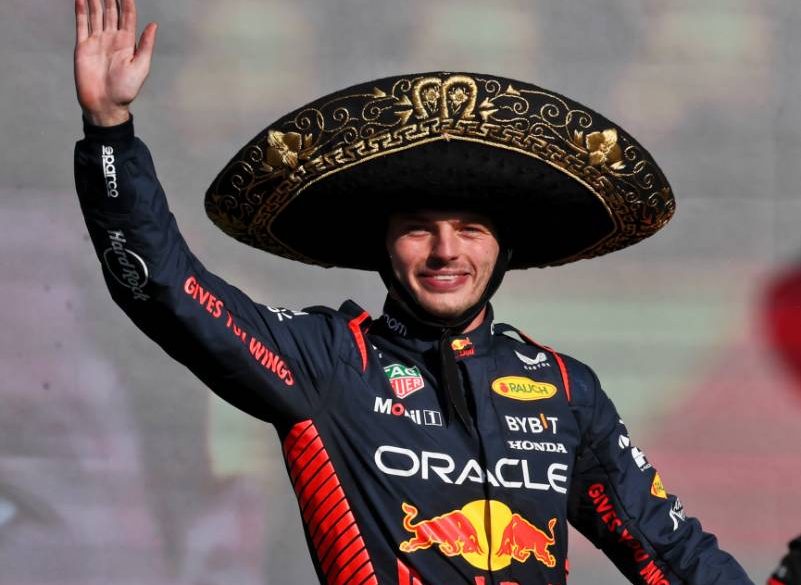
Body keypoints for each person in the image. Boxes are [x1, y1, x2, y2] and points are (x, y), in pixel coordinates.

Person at [72, 1, 755, 584]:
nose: (445, 251)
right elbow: (168, 290)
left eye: (470, 228)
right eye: (417, 230)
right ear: (382, 245)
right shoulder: (328, 360)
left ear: (503, 247)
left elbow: (670, 549)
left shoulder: (565, 390)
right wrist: (110, 133)